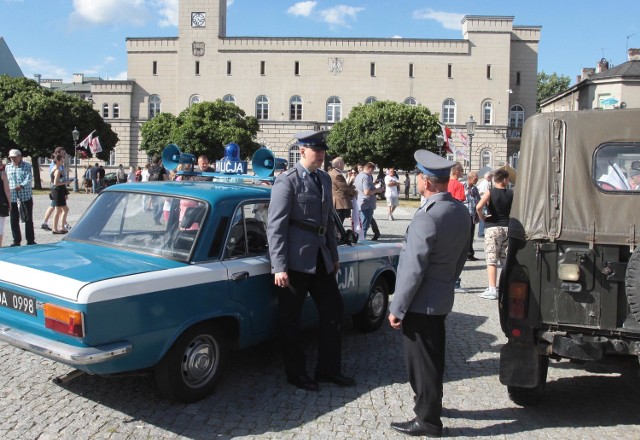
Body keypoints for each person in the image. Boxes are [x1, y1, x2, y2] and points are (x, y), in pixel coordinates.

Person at [388, 149, 470, 439]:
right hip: (442, 295)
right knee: (433, 358)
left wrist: (397, 307)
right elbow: (462, 257)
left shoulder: (428, 216)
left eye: (419, 177)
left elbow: (412, 269)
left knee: (420, 362)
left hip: (420, 301)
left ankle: (428, 422)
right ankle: (430, 404)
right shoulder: (460, 210)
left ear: (425, 181)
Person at [267, 130, 354, 392]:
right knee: (290, 319)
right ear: (302, 150)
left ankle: (328, 370)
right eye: (317, 149)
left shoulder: (323, 180)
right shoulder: (287, 181)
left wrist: (333, 255)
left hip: (320, 258)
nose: (322, 153)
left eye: (323, 149)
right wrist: (279, 266)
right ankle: (297, 373)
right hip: (294, 261)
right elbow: (276, 226)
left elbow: (327, 221)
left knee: (333, 311)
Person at [475, 168, 513, 300]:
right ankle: (506, 287)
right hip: (507, 227)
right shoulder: (511, 193)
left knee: (491, 259)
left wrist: (482, 217)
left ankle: (492, 289)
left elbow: (479, 206)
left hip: (493, 227)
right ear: (505, 180)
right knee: (505, 259)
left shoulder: (490, 192)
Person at [6, 149, 36, 246]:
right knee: (13, 219)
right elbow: (6, 180)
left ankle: (30, 240)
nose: (13, 159)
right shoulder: (8, 167)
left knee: (28, 219)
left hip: (25, 196)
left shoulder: (26, 166)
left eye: (14, 157)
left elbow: (29, 178)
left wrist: (22, 185)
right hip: (13, 197)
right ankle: (16, 240)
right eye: (11, 158)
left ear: (20, 156)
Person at [41, 146, 69, 231]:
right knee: (58, 208)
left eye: (64, 153)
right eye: (62, 153)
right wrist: (65, 183)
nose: (63, 155)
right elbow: (56, 180)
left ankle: (60, 225)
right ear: (58, 154)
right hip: (57, 189)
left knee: (57, 207)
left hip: (59, 188)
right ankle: (60, 226)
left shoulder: (58, 165)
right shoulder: (56, 166)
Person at [354, 162, 383, 240]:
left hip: (361, 202)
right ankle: (361, 242)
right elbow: (367, 192)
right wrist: (377, 190)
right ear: (370, 169)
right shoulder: (366, 177)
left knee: (363, 224)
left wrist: (373, 184)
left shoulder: (359, 175)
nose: (373, 172)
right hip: (367, 204)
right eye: (373, 170)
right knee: (364, 226)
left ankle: (362, 239)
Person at [328, 157, 356, 223]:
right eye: (343, 163)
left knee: (336, 222)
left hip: (335, 200)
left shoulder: (331, 172)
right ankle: (337, 233)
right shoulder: (337, 175)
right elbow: (345, 189)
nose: (344, 165)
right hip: (340, 202)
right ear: (339, 164)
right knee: (339, 223)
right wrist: (354, 189)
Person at [49, 154, 70, 234]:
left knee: (59, 210)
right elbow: (55, 183)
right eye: (62, 160)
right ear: (57, 161)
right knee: (63, 210)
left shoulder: (54, 169)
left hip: (57, 191)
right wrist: (66, 182)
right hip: (58, 191)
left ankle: (59, 227)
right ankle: (58, 228)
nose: (63, 161)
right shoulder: (57, 170)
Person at [463, 171, 481, 261]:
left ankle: (470, 254)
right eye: (475, 178)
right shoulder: (462, 187)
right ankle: (462, 254)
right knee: (464, 235)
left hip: (473, 215)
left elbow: (479, 200)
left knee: (471, 235)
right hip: (464, 215)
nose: (477, 180)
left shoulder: (475, 189)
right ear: (469, 178)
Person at [476, 171, 492, 238]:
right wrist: (488, 202)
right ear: (488, 177)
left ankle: (481, 231)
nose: (491, 178)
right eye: (491, 177)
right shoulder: (486, 183)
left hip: (481, 201)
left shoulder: (483, 182)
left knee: (483, 216)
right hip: (484, 202)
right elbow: (486, 194)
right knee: (483, 216)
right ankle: (481, 232)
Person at [0, 163, 10, 246]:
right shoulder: (2, 173)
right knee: (0, 227)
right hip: (1, 202)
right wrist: (10, 203)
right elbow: (7, 190)